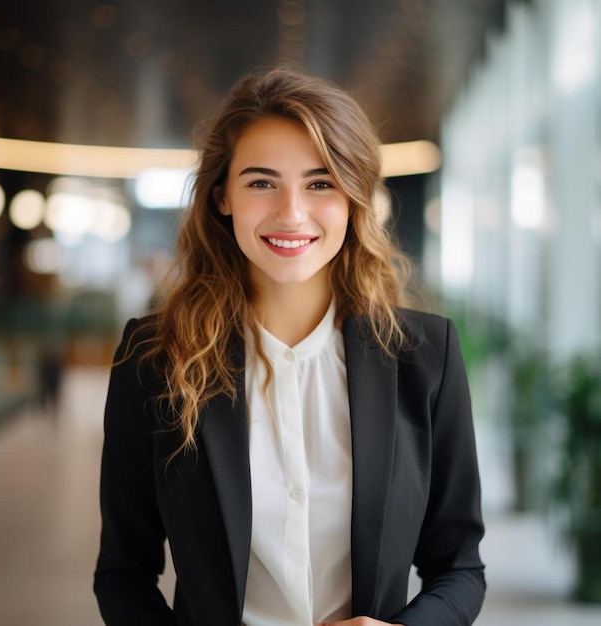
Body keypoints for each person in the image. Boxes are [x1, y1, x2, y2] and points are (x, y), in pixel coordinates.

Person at [94, 66, 485, 626]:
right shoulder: (155, 356)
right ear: (222, 196)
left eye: (320, 182)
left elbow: (459, 567)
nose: (291, 212)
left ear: (354, 197)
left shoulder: (426, 354)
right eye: (261, 182)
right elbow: (124, 573)